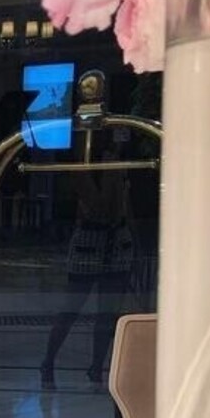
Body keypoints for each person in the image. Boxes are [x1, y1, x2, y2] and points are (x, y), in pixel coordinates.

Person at [40, 147, 134, 391]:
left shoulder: (117, 164)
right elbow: (99, 207)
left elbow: (121, 208)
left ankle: (97, 368)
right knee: (71, 309)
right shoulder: (81, 168)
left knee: (107, 312)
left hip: (117, 242)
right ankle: (48, 362)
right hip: (89, 244)